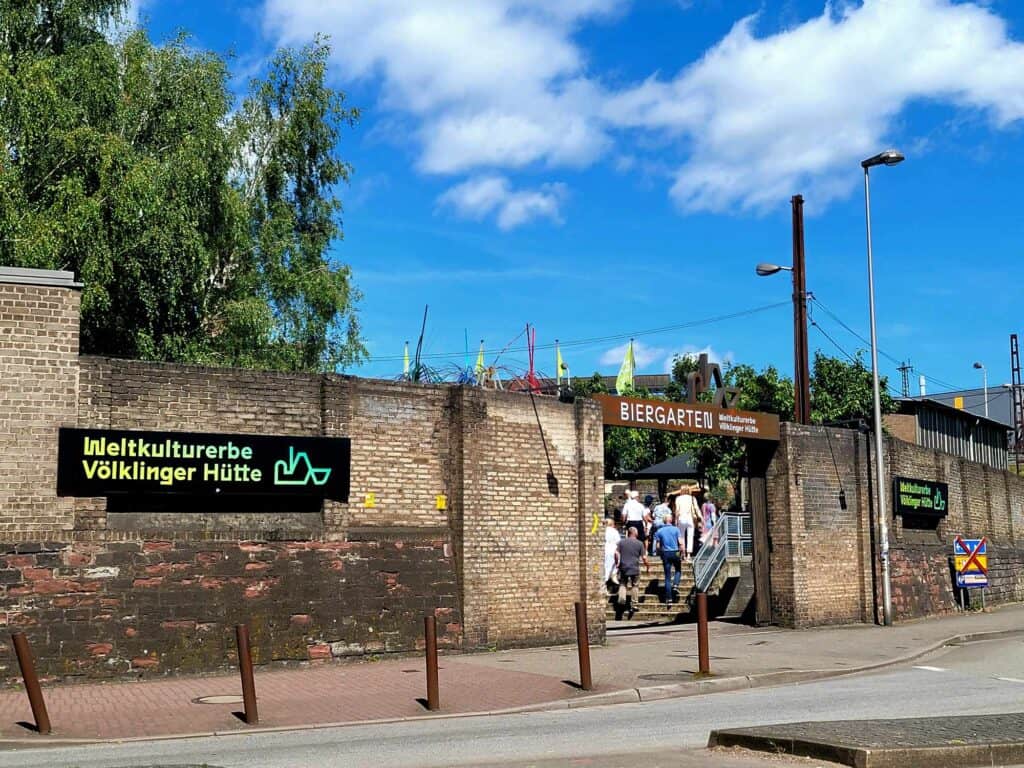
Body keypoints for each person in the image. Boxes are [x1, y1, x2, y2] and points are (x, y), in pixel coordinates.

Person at [615, 526, 647, 616]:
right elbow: (644, 557)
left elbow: (616, 553)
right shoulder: (640, 543)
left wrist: (617, 562)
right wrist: (647, 565)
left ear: (628, 533)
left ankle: (621, 599)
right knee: (635, 586)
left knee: (622, 584)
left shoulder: (621, 542)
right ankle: (634, 604)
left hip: (623, 567)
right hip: (635, 568)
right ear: (635, 533)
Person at [652, 512, 683, 603]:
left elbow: (657, 546)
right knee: (678, 569)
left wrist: (660, 553)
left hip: (665, 553)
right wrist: (683, 552)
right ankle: (676, 585)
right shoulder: (676, 529)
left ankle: (669, 598)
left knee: (667, 576)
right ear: (671, 520)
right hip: (676, 552)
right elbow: (680, 543)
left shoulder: (659, 531)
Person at [674, 484, 700, 560]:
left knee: (681, 536)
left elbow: (677, 510)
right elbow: (696, 509)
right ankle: (689, 554)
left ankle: (683, 553)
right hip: (690, 519)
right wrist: (700, 518)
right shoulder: (692, 498)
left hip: (681, 518)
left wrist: (676, 520)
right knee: (690, 536)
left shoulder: (678, 498)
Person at [603, 516, 621, 589]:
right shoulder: (614, 531)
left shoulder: (602, 530)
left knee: (606, 566)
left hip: (604, 549)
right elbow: (618, 542)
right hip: (612, 549)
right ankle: (611, 577)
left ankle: (608, 580)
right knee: (612, 566)